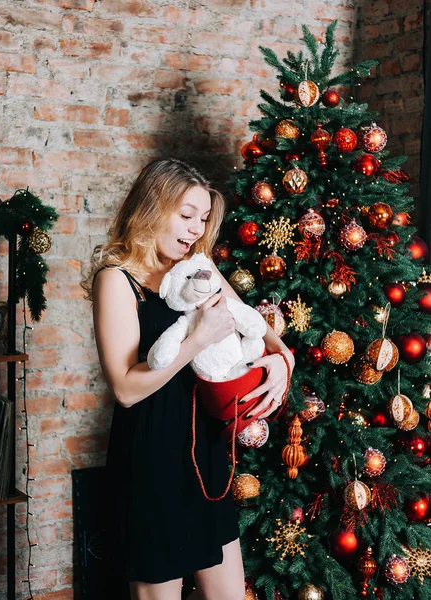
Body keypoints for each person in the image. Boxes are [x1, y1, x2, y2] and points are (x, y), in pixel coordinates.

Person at [81, 158, 295, 600]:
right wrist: (197, 342)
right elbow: (124, 388)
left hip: (205, 454)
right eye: (186, 215)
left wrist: (282, 362)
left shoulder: (199, 268)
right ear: (152, 209)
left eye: (202, 218)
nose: (196, 229)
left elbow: (258, 328)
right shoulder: (116, 280)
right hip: (151, 459)